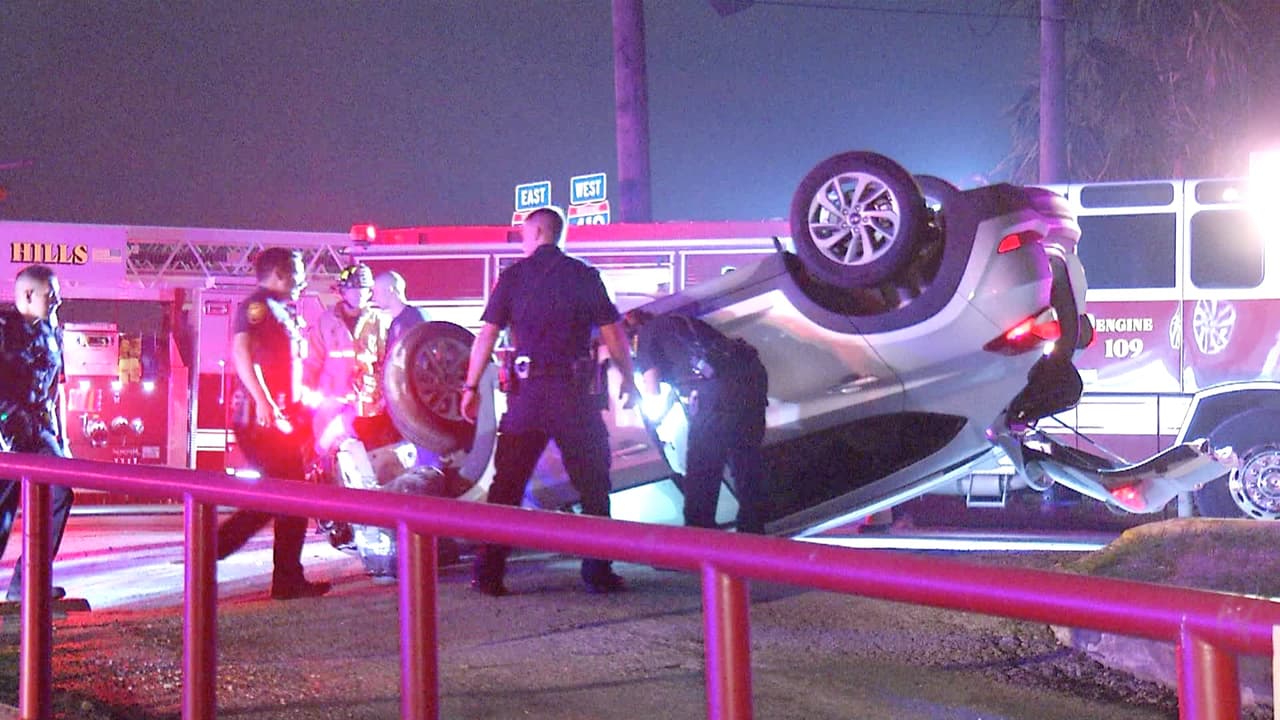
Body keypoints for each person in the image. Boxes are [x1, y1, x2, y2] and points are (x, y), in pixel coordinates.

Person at [459, 206, 638, 596]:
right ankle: (598, 572)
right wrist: (630, 379)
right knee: (593, 486)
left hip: (528, 397)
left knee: (506, 487)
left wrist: (470, 387)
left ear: (538, 231)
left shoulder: (513, 278)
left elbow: (486, 336)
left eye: (524, 234)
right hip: (573, 396)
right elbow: (614, 335)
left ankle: (489, 573)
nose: (522, 241)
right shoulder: (584, 275)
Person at [216, 248, 331, 600]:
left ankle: (283, 577)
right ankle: (216, 548)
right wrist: (265, 403)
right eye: (297, 273)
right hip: (260, 422)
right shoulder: (259, 307)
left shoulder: (282, 310)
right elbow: (241, 353)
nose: (303, 281)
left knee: (283, 497)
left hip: (279, 420)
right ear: (279, 274)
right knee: (287, 496)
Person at [627, 310, 769, 534]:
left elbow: (651, 389)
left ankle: (699, 546)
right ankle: (754, 538)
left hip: (713, 394)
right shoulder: (685, 320)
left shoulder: (645, 335)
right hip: (752, 380)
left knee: (701, 473)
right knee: (746, 463)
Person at [0, 265, 76, 602]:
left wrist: (62, 438)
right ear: (28, 295)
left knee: (59, 494)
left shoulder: (51, 332)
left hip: (40, 432)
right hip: (3, 434)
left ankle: (27, 583)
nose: (57, 302)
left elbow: (54, 390)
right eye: (51, 296)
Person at [373, 270, 429, 351]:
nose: (374, 298)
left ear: (389, 290)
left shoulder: (416, 317)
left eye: (376, 292)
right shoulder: (394, 324)